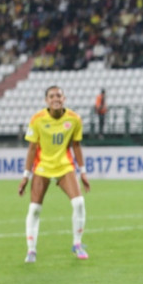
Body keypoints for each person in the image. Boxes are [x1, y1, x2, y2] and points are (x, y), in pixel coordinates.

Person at [18, 85, 91, 262]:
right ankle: (31, 250)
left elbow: (76, 146)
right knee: (34, 208)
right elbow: (32, 148)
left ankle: (77, 244)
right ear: (46, 101)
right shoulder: (37, 119)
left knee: (79, 203)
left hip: (64, 166)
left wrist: (83, 172)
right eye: (52, 96)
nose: (55, 99)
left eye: (58, 95)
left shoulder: (74, 119)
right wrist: (26, 176)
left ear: (64, 98)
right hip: (42, 166)